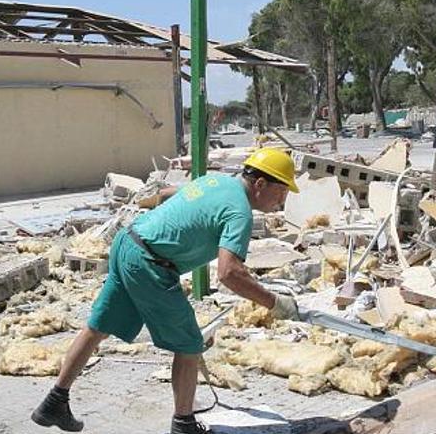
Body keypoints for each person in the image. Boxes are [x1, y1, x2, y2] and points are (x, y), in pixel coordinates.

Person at [31, 148, 301, 434]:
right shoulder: (240, 212)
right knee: (189, 344)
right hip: (150, 264)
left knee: (98, 326)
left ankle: (54, 403)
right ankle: (184, 424)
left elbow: (166, 194)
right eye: (282, 191)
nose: (283, 200)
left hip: (128, 242)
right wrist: (274, 302)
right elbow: (229, 273)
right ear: (260, 184)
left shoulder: (217, 181)